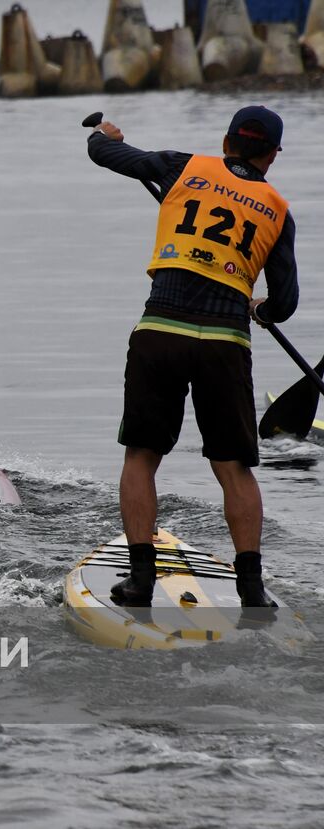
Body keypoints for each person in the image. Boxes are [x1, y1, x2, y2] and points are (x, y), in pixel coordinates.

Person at [88, 105, 298, 607]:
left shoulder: (182, 167)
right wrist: (260, 308)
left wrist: (103, 133)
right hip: (225, 345)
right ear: (272, 155)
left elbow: (106, 154)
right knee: (234, 468)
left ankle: (141, 580)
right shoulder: (278, 210)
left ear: (226, 143)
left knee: (141, 457)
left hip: (160, 332)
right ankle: (251, 589)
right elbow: (285, 305)